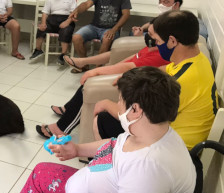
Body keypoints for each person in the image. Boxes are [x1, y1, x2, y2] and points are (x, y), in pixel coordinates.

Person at [21, 67, 196, 193]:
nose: (118, 106)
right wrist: (78, 149)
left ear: (135, 110)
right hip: (88, 183)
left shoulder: (147, 170)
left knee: (38, 178)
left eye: (120, 100)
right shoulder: (151, 132)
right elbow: (115, 144)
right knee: (40, 170)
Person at [95, 11, 218, 150]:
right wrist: (135, 75)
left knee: (101, 120)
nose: (157, 45)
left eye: (158, 41)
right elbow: (166, 68)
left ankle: (110, 166)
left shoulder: (181, 82)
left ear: (172, 41)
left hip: (173, 149)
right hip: (179, 136)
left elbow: (138, 119)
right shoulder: (197, 59)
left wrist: (105, 103)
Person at [36, 23, 169, 138]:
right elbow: (131, 59)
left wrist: (99, 71)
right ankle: (69, 108)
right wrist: (108, 69)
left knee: (88, 85)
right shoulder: (152, 47)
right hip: (125, 73)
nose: (147, 37)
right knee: (90, 80)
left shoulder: (159, 55)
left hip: (128, 81)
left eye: (151, 35)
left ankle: (61, 129)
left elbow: (130, 67)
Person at [69, 0, 131, 66]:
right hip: (94, 27)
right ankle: (83, 65)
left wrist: (114, 30)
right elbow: (86, 4)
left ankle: (98, 68)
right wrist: (77, 10)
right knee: (76, 37)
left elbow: (126, 14)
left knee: (107, 39)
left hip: (111, 28)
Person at [29, 0, 77, 65]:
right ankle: (38, 50)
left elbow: (73, 14)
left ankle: (63, 55)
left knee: (66, 31)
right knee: (41, 29)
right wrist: (43, 23)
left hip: (66, 20)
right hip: (52, 20)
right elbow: (45, 13)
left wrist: (67, 22)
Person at [132, 0, 208, 40]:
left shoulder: (179, 23)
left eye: (165, 2)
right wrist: (141, 28)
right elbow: (151, 23)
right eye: (160, 2)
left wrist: (140, 37)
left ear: (176, 5)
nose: (161, 5)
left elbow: (160, 43)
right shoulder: (165, 16)